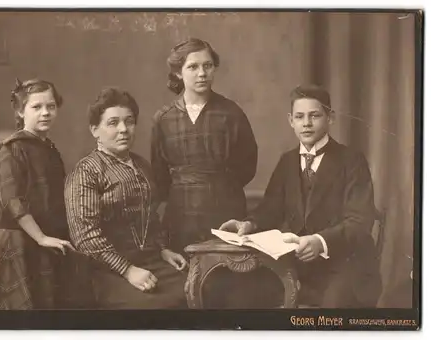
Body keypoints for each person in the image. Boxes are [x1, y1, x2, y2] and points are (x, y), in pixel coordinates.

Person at [220, 84, 382, 308]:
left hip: (345, 265)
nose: (306, 123)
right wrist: (249, 224)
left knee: (334, 307)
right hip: (296, 266)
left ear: (330, 117)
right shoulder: (287, 161)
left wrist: (320, 241)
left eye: (314, 115)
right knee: (243, 296)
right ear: (291, 121)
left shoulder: (352, 161)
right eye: (300, 116)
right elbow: (270, 209)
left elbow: (360, 221)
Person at [64, 87, 188, 309]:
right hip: (108, 272)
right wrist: (128, 270)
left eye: (129, 121)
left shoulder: (142, 166)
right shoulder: (87, 171)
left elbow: (149, 217)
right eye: (113, 123)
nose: (123, 129)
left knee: (195, 291)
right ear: (95, 130)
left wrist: (162, 249)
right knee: (156, 307)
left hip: (152, 262)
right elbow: (84, 236)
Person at [0, 79, 77, 310]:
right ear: (20, 111)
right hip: (18, 241)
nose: (45, 113)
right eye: (36, 107)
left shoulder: (49, 149)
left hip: (43, 239)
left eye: (51, 106)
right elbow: (12, 201)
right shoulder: (13, 148)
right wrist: (41, 238)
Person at [151, 38, 258, 253]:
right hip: (180, 213)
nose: (202, 73)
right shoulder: (164, 118)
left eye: (207, 66)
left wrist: (218, 182)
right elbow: (159, 173)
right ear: (178, 73)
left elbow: (247, 166)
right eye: (193, 67)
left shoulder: (231, 113)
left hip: (224, 210)